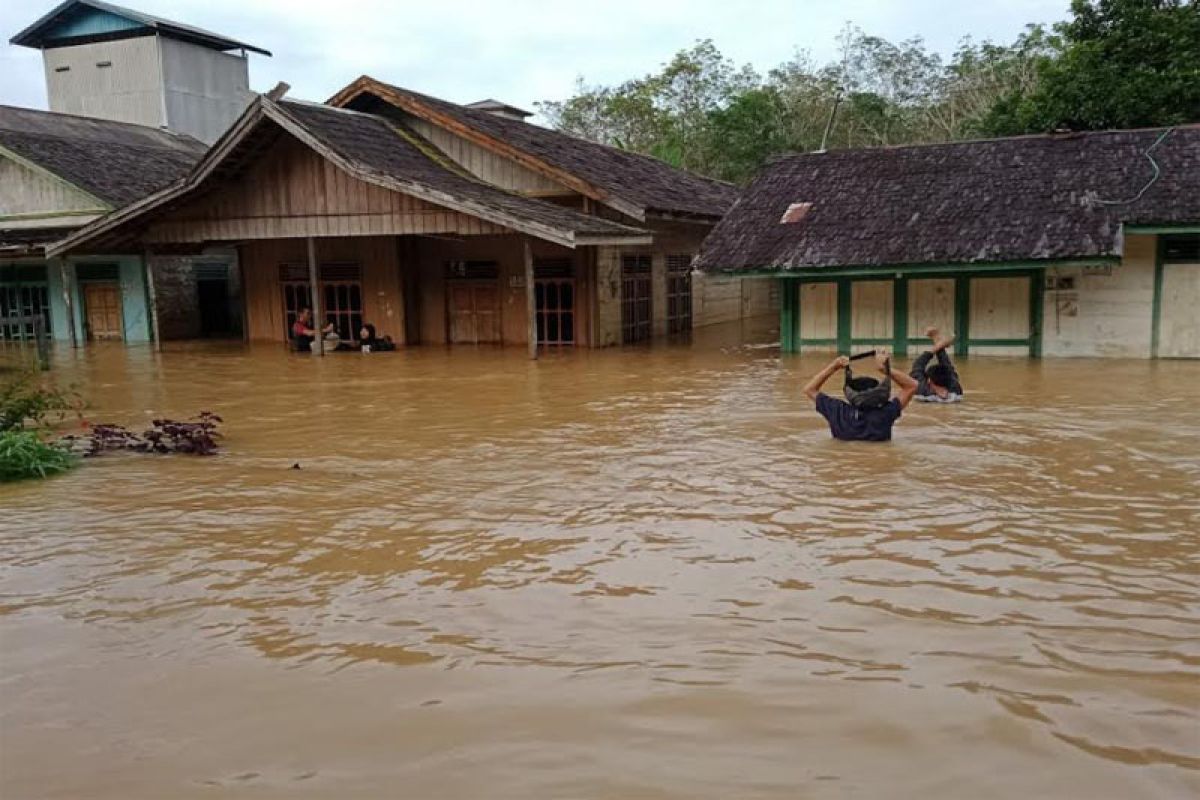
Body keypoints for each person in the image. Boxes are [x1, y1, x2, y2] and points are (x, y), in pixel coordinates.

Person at [803, 350, 918, 442]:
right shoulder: (886, 412)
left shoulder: (837, 411)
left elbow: (809, 389)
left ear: (850, 393)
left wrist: (833, 367)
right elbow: (912, 386)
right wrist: (884, 369)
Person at [911, 327, 964, 403]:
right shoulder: (956, 390)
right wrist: (939, 343)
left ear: (929, 381)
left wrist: (937, 346)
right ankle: (939, 340)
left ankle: (939, 341)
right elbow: (947, 366)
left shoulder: (923, 392)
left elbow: (917, 366)